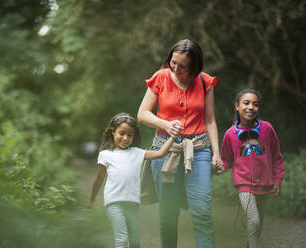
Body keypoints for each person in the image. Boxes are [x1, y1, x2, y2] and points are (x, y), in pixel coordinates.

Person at [137, 39, 222, 248]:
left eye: (182, 66)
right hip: (165, 150)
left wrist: (216, 154)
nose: (175, 68)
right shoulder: (161, 77)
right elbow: (142, 114)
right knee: (167, 216)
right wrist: (165, 124)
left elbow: (210, 120)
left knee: (202, 211)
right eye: (173, 62)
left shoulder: (205, 82)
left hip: (199, 150)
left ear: (195, 66)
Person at [87, 112, 181, 248]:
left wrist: (173, 137)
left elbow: (160, 153)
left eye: (130, 135)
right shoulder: (105, 155)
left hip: (133, 203)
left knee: (135, 242)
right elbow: (98, 179)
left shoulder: (137, 153)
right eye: (121, 133)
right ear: (113, 132)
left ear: (134, 136)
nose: (125, 138)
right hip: (114, 203)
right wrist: (91, 200)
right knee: (122, 240)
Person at [217, 89, 285, 248]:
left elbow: (277, 157)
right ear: (237, 106)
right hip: (244, 184)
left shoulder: (267, 129)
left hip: (265, 183)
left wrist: (277, 180)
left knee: (258, 223)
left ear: (259, 108)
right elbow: (227, 160)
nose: (251, 107)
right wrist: (219, 168)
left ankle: (251, 245)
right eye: (246, 103)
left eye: (255, 104)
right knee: (253, 219)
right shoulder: (230, 134)